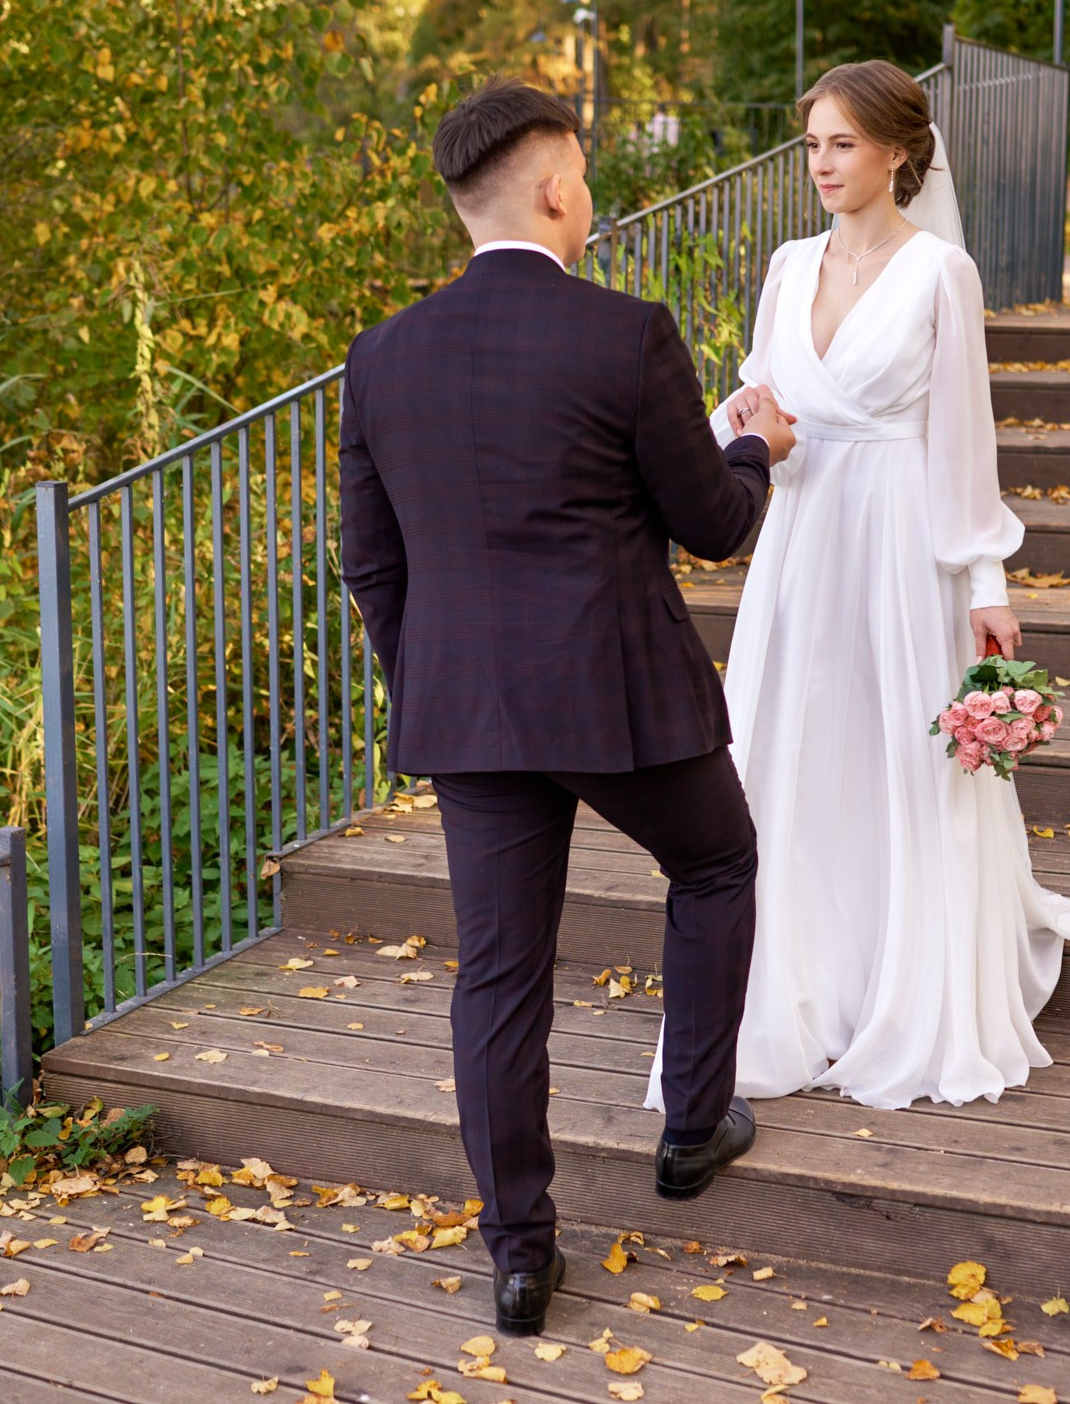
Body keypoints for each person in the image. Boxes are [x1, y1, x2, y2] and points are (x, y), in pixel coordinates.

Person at [338, 79, 797, 1337]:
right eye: (583, 175)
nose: (586, 196)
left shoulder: (382, 356)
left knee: (499, 974)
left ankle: (519, 1257)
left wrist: (436, 682)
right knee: (718, 863)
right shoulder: (625, 334)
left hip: (467, 711)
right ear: (553, 189)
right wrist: (754, 448)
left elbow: (372, 564)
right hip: (618, 697)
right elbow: (712, 523)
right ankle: (692, 1129)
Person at [647, 60, 1070, 1115]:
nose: (821, 163)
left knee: (896, 752)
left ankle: (906, 987)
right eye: (812, 143)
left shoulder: (942, 272)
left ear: (898, 152)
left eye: (843, 143)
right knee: (792, 754)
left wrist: (985, 579)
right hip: (803, 540)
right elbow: (761, 404)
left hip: (901, 541)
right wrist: (701, 443)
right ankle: (794, 988)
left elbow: (963, 438)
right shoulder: (786, 266)